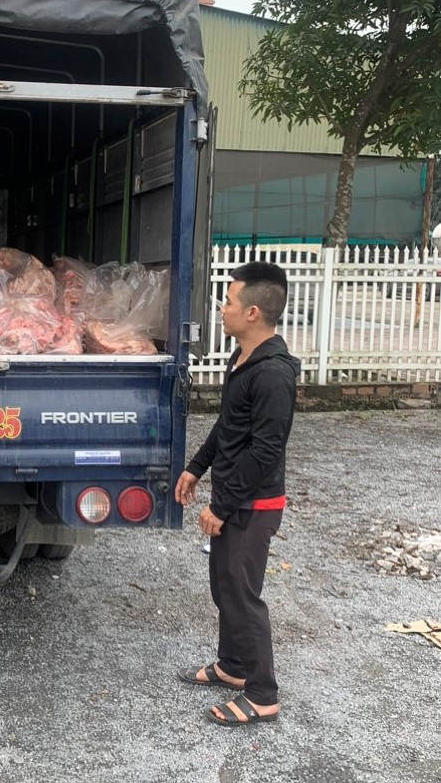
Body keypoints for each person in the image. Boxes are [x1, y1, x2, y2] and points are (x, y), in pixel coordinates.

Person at [174, 261, 300, 727]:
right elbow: (230, 428)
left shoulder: (272, 375)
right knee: (225, 586)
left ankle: (263, 694)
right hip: (235, 498)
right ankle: (232, 666)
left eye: (226, 301)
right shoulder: (242, 360)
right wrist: (196, 467)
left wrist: (222, 506)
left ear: (251, 312)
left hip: (253, 505)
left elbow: (266, 451)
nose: (220, 309)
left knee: (243, 595)